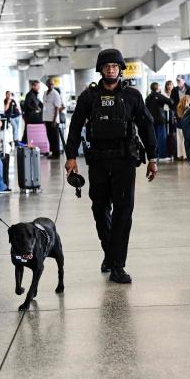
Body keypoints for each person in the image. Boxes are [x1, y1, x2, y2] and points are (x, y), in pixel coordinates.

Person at [65, 48, 157, 284]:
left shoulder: (132, 96)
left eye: (115, 66)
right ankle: (111, 253)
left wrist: (153, 158)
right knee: (99, 209)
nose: (111, 69)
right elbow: (75, 127)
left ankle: (117, 265)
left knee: (123, 213)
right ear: (100, 70)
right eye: (107, 67)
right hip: (97, 161)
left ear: (120, 69)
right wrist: (71, 156)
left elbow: (147, 126)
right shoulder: (89, 97)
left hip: (124, 161)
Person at [145, 82, 173, 159]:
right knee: (161, 137)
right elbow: (170, 101)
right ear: (157, 88)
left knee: (154, 137)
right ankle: (162, 155)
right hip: (160, 119)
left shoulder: (148, 97)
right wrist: (171, 107)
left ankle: (155, 154)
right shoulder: (159, 96)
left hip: (151, 120)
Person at [43, 78, 64, 159]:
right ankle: (53, 153)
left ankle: (57, 154)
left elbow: (57, 108)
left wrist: (54, 120)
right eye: (50, 84)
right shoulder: (45, 93)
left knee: (55, 137)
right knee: (49, 137)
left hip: (53, 119)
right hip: (46, 118)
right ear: (47, 84)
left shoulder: (55, 94)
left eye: (52, 84)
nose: (51, 85)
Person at [175, 95, 190, 160]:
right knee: (185, 140)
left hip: (178, 126)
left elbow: (176, 116)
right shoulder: (188, 108)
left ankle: (179, 155)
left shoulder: (178, 106)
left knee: (179, 141)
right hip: (185, 126)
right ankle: (185, 155)